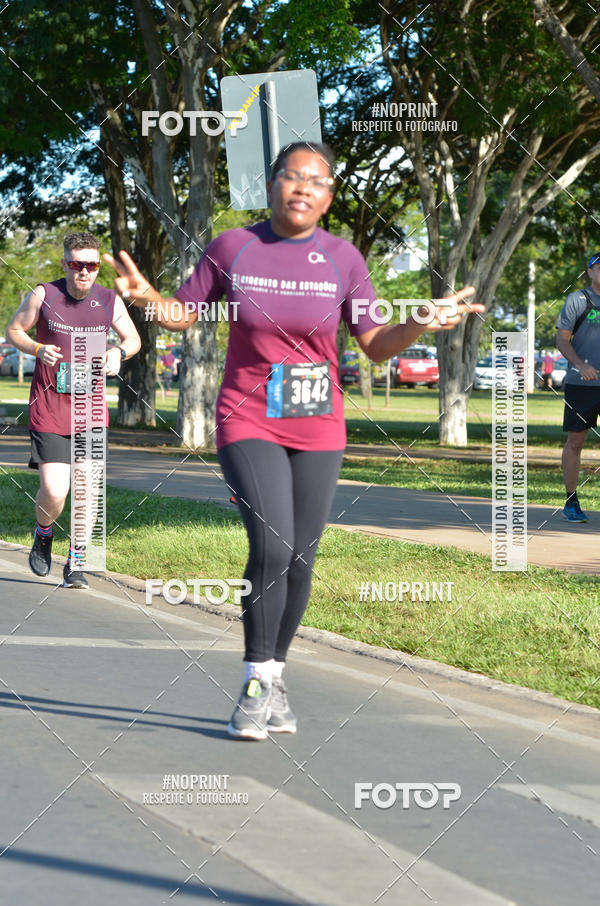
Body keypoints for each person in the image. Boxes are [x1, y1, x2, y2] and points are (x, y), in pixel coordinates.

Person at [104, 142, 482, 740]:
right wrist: (145, 297)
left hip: (320, 424)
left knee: (302, 558)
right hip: (248, 417)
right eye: (292, 177)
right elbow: (181, 314)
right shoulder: (235, 246)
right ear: (272, 183)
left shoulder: (344, 258)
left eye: (316, 181)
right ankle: (255, 681)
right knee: (274, 546)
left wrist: (419, 322)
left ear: (329, 197)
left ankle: (277, 675)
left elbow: (374, 343)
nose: (303, 188)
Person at [6, 231, 141, 588]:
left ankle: (76, 561)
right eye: (77, 264)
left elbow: (133, 339)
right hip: (49, 409)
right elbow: (14, 330)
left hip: (91, 411)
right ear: (65, 263)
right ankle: (44, 532)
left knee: (87, 489)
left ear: (98, 267)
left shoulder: (109, 300)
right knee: (54, 490)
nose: (84, 271)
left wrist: (118, 352)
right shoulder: (44, 294)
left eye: (91, 265)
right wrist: (36, 348)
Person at [556, 252, 600, 522]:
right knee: (576, 441)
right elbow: (562, 340)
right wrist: (581, 365)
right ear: (591, 271)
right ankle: (571, 501)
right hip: (582, 384)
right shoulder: (578, 300)